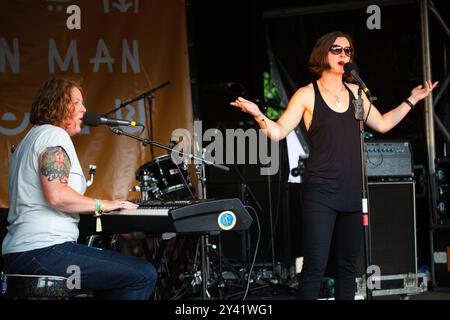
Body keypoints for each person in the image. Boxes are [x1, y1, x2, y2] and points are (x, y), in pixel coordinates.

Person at [231, 31, 438, 300]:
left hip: (352, 192)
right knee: (315, 267)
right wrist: (259, 114)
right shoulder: (307, 94)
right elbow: (279, 131)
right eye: (337, 50)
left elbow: (384, 123)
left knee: (347, 268)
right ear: (323, 53)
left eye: (348, 51)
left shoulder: (357, 93)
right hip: (321, 193)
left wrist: (412, 100)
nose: (343, 55)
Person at [1, 78, 157, 300]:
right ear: (58, 105)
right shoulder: (54, 135)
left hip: (22, 253)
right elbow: (56, 195)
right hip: (45, 252)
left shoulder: (29, 139)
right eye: (77, 102)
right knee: (143, 274)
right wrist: (105, 205)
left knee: (113, 279)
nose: (84, 109)